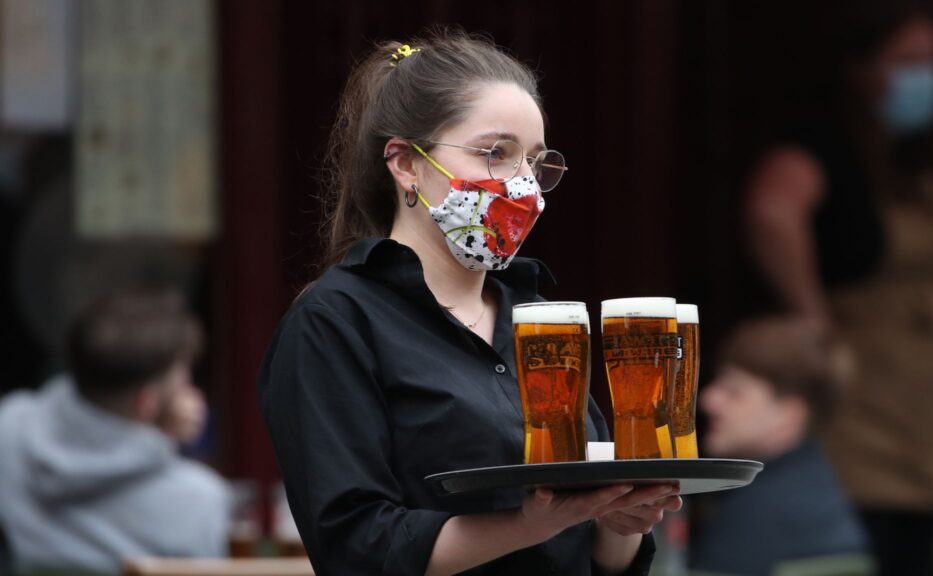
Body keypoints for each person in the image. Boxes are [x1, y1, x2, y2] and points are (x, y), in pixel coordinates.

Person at [257, 28, 682, 576]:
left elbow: (593, 554)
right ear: (406, 165)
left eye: (534, 161)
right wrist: (534, 523)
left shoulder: (537, 317)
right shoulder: (335, 321)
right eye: (496, 153)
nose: (523, 185)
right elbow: (354, 548)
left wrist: (621, 520)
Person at [743, 2, 933, 575]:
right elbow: (772, 209)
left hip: (927, 392)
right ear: (864, 69)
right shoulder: (824, 148)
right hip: (854, 396)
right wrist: (811, 313)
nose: (927, 77)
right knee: (856, 542)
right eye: (908, 61)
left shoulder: (931, 160)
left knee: (925, 544)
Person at [0, 289, 230, 572]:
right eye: (183, 376)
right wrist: (157, 440)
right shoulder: (198, 500)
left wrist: (151, 435)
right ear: (146, 403)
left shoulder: (9, 430)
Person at [688, 316, 868, 576]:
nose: (708, 399)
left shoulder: (756, 515)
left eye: (734, 391)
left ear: (788, 415)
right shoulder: (814, 488)